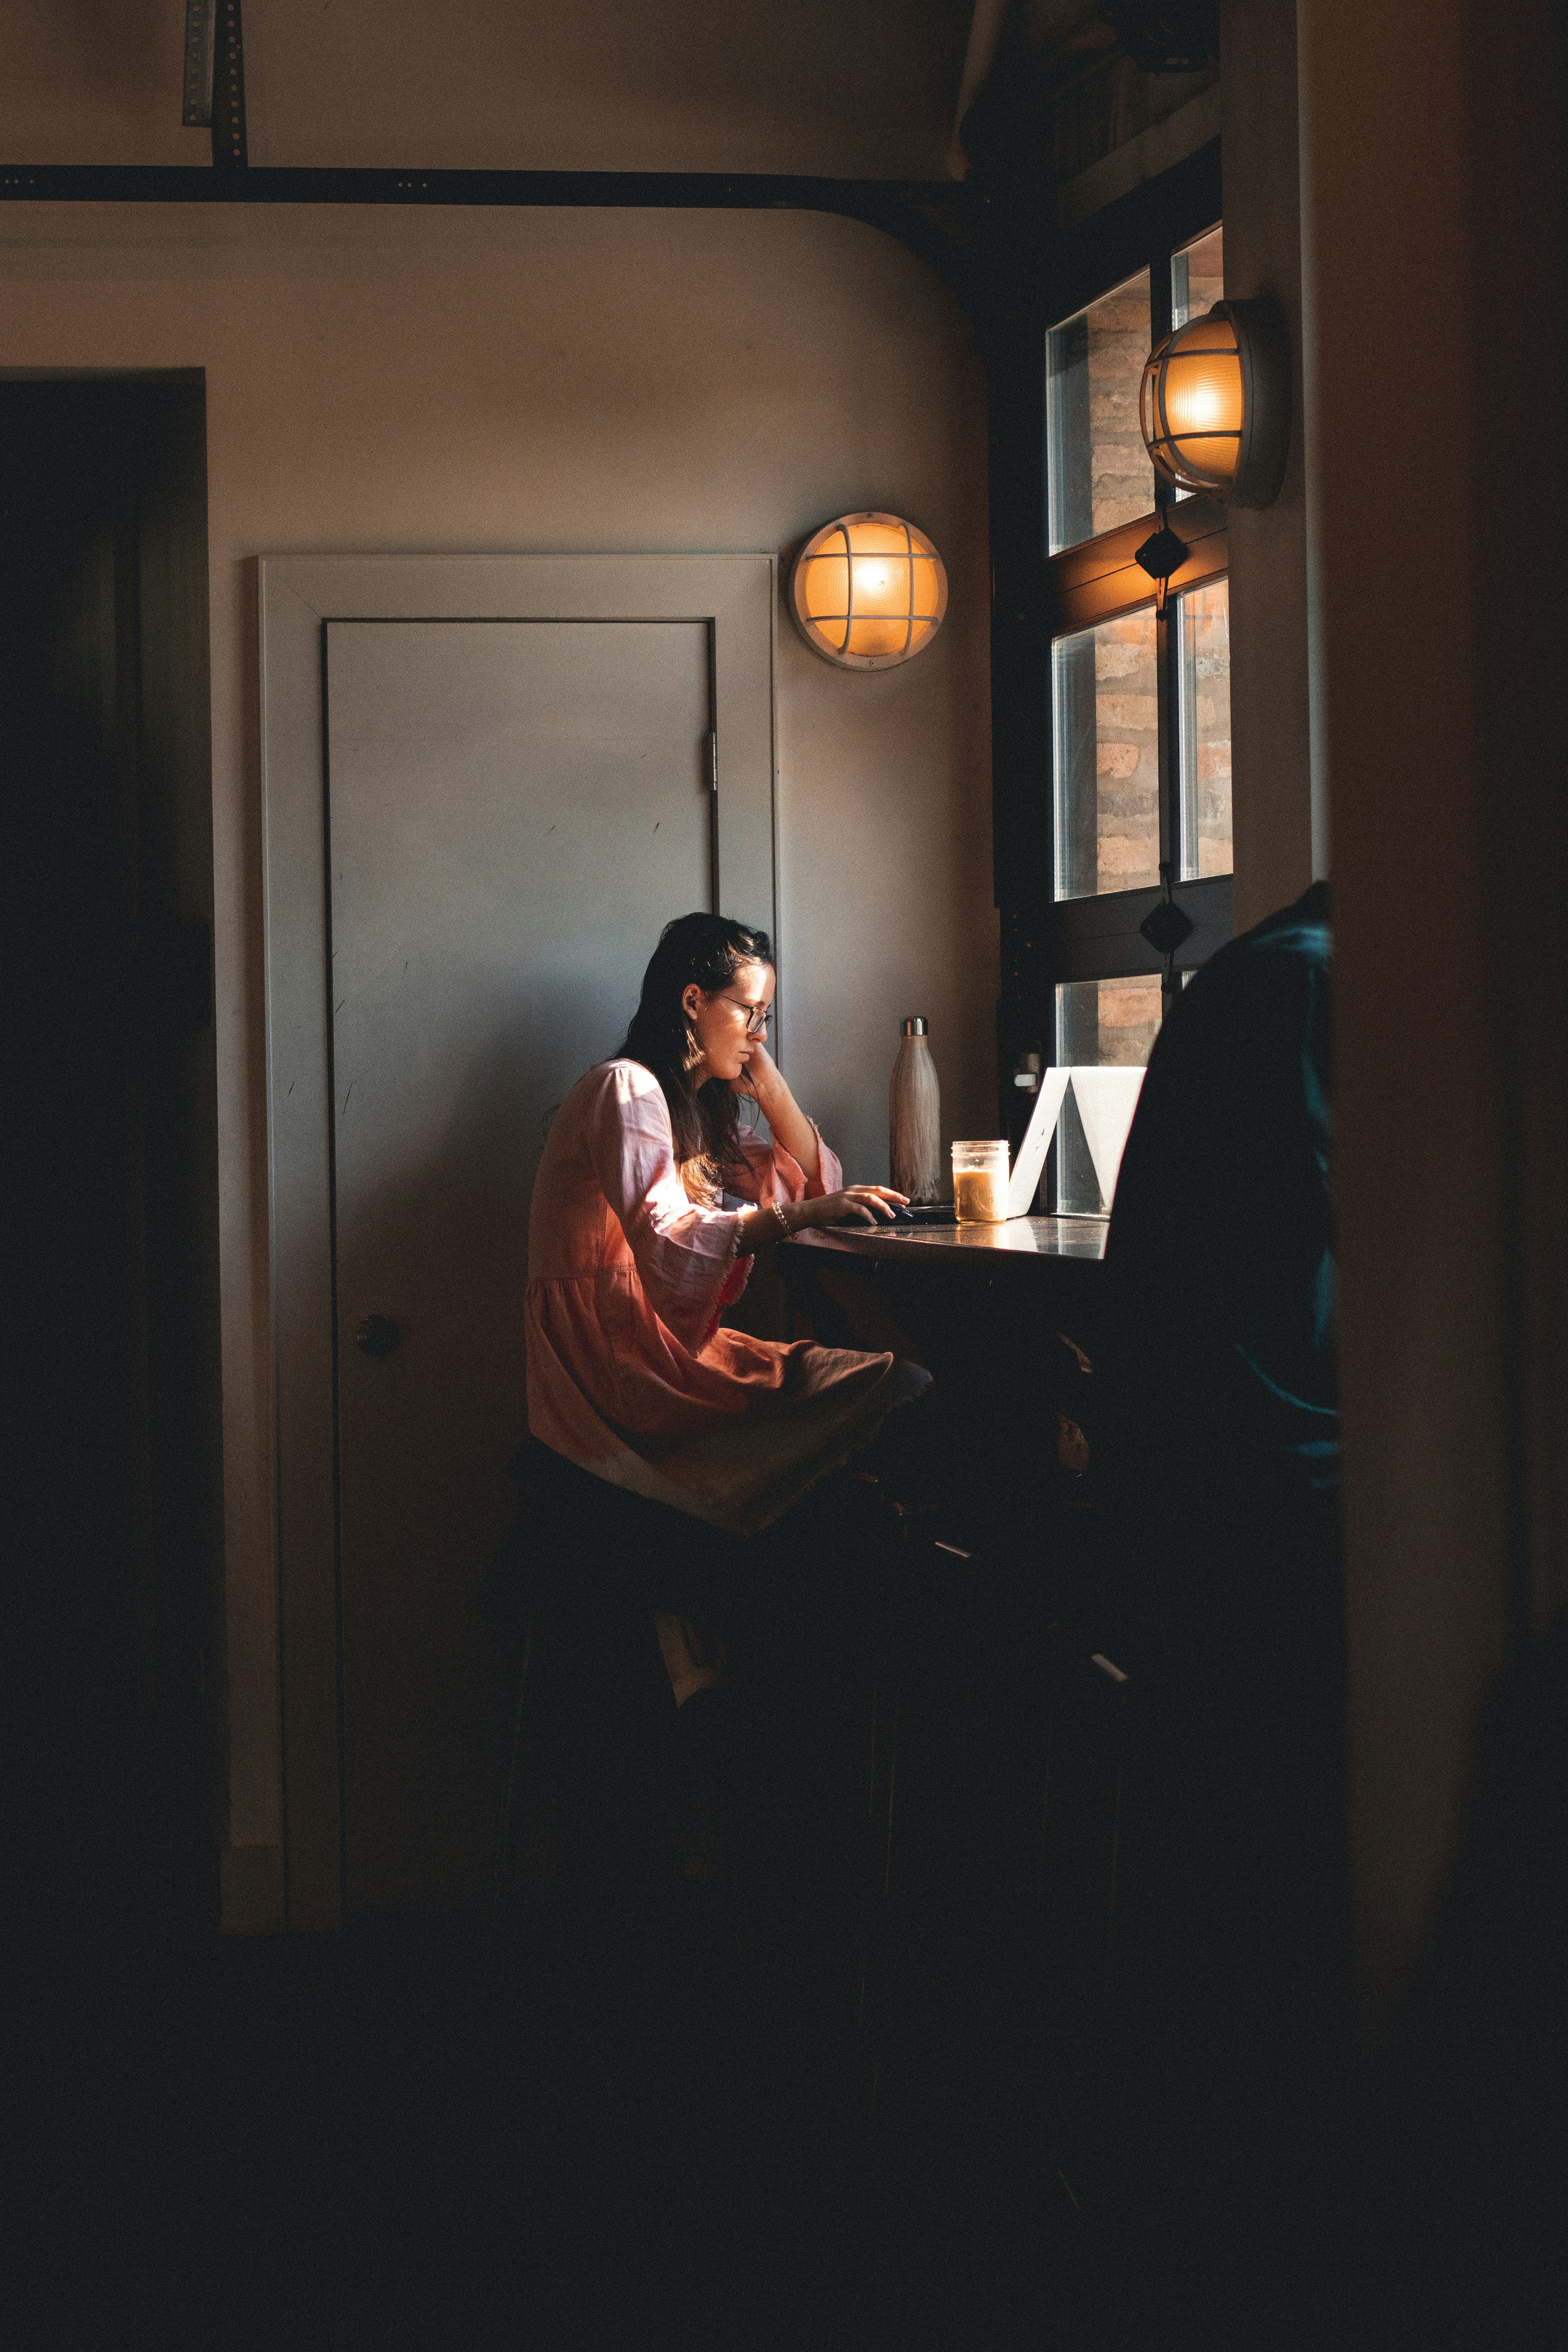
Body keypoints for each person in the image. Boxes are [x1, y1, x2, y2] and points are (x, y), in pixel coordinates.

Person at [1091, 879, 1348, 2349]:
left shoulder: (1261, 980)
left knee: (1209, 1893)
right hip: (1256, 1508)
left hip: (1191, 1508)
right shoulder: (1311, 994)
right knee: (1258, 1906)